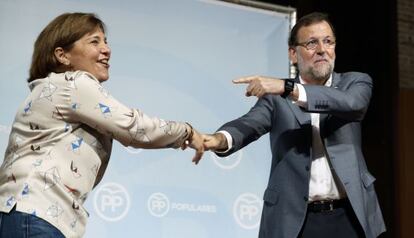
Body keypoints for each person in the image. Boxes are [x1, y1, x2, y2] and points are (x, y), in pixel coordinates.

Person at [0, 12, 204, 238]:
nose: (106, 49)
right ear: (62, 55)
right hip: (37, 215)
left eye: (105, 41)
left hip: (20, 214)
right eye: (94, 41)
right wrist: (187, 131)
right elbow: (135, 128)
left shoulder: (47, 89)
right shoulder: (74, 83)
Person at [202, 12, 386, 238]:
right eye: (311, 43)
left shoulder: (354, 82)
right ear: (293, 54)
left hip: (350, 216)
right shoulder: (275, 98)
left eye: (328, 41)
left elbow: (352, 104)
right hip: (296, 221)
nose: (321, 49)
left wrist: (289, 88)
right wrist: (218, 139)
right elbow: (249, 124)